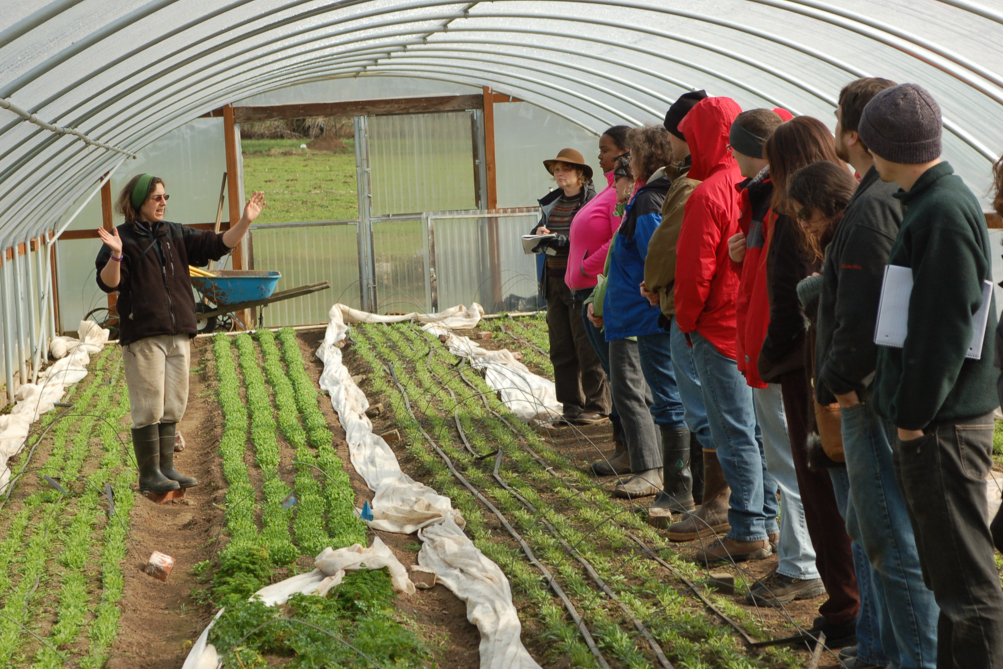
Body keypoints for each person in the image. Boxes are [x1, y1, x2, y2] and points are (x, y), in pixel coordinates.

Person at [861, 83, 1003, 669]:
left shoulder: (942, 209)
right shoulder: (931, 201)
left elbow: (945, 326)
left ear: (884, 145)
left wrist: (914, 416)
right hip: (939, 421)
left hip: (942, 426)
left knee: (967, 590)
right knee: (952, 585)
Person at [818, 78, 940, 669]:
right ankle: (892, 652)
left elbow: (865, 311)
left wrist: (840, 381)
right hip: (873, 394)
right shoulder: (881, 197)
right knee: (881, 538)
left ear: (858, 133)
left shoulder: (873, 207)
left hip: (870, 399)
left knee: (892, 542)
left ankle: (912, 658)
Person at [749, 117, 863, 648]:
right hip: (810, 367)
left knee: (821, 485)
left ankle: (847, 607)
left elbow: (794, 305)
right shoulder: (812, 214)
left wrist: (771, 357)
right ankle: (847, 603)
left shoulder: (800, 222)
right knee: (826, 486)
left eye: (774, 163)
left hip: (808, 372)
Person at [96, 174, 265, 495]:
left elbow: (217, 245)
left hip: (179, 331)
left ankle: (167, 468)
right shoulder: (123, 239)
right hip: (144, 333)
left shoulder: (174, 233)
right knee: (148, 404)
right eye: (156, 197)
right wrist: (117, 255)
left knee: (173, 402)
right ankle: (150, 475)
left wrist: (244, 221)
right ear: (138, 203)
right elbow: (109, 283)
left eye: (165, 197)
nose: (163, 202)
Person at [726, 109, 830, 608]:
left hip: (784, 358)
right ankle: (801, 559)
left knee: (792, 465)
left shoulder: (792, 214)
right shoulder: (781, 208)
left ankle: (801, 565)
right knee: (792, 462)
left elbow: (790, 298)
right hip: (777, 352)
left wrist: (767, 355)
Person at [789, 160, 888, 668]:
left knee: (878, 535)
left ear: (832, 205)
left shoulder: (862, 230)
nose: (804, 226)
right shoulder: (847, 233)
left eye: (807, 215)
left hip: (858, 403)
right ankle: (872, 641)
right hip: (842, 399)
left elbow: (858, 322)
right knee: (863, 528)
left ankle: (882, 647)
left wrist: (836, 385)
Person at [673, 96, 778, 563]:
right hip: (748, 325)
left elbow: (695, 271)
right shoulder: (755, 186)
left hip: (717, 328)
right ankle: (768, 520)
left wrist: (687, 322)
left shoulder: (708, 193)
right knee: (757, 432)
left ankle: (748, 528)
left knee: (732, 431)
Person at [601, 126, 688, 499]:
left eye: (632, 156)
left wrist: (650, 291)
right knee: (636, 391)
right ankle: (655, 470)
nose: (628, 163)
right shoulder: (646, 197)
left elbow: (657, 254)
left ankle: (655, 473)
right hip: (633, 314)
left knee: (642, 392)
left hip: (642, 316)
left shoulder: (650, 201)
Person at [642, 90, 711, 517]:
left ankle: (697, 493)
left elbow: (670, 246)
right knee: (701, 407)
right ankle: (700, 493)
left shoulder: (690, 186)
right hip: (683, 306)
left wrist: (655, 285)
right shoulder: (690, 179)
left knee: (696, 407)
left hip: (690, 312)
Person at [565, 127, 630, 472]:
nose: (599, 155)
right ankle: (622, 447)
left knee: (620, 375)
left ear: (623, 154)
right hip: (587, 290)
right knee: (612, 371)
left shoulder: (621, 195)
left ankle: (631, 450)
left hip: (600, 290)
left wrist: (590, 264)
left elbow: (618, 237)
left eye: (604, 150)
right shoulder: (608, 191)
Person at [532, 149, 610, 425]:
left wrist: (561, 240)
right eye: (556, 169)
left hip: (582, 282)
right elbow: (541, 231)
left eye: (565, 168)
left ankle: (597, 405)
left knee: (587, 345)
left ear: (581, 174)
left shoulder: (591, 203)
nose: (559, 173)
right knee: (561, 347)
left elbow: (593, 235)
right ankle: (571, 406)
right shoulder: (552, 205)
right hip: (554, 282)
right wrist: (538, 234)